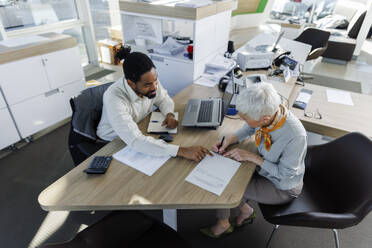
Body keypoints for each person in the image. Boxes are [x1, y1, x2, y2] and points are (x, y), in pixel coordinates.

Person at [201, 82, 307, 237]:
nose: (243, 120)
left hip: (282, 186)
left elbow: (284, 175)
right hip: (263, 170)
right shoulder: (271, 116)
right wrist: (230, 140)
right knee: (227, 173)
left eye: (245, 118)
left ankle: (223, 224)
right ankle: (246, 211)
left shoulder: (296, 136)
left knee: (223, 186)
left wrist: (252, 157)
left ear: (264, 119)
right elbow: (251, 128)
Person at [97, 46, 211, 161]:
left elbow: (164, 99)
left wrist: (169, 114)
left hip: (138, 127)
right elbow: (135, 140)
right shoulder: (114, 98)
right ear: (131, 83)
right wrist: (181, 151)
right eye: (147, 85)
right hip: (112, 142)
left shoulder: (150, 80)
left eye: (155, 80)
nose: (154, 87)